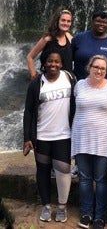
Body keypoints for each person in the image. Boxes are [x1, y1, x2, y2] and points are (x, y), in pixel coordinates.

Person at [23, 49, 76, 223]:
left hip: (64, 135)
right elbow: (29, 111)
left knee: (63, 171)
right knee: (43, 171)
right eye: (50, 61)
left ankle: (62, 207)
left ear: (61, 64)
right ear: (44, 63)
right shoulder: (37, 83)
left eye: (57, 62)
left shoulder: (69, 78)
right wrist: (27, 138)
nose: (53, 64)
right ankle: (46, 205)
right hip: (42, 136)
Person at [71, 55, 107, 229]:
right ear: (89, 67)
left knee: (101, 180)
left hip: (104, 139)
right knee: (84, 179)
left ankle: (99, 217)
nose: (99, 70)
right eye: (96, 67)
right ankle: (86, 214)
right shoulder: (79, 85)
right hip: (81, 138)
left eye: (103, 68)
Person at [72, 11, 107, 81]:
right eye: (98, 21)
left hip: (105, 88)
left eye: (104, 22)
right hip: (79, 85)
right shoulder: (79, 38)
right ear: (92, 22)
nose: (101, 24)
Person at [26, 6, 73, 80]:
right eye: (63, 20)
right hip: (49, 81)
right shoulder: (48, 39)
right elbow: (30, 57)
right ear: (57, 21)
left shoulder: (69, 37)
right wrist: (34, 75)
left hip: (66, 82)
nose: (66, 23)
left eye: (68, 21)